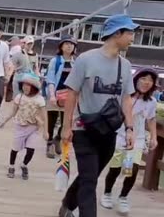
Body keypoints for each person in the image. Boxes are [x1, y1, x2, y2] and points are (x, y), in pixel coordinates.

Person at [59, 14, 138, 217]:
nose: (132, 38)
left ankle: (68, 203)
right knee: (89, 180)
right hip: (84, 128)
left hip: (109, 130)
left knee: (90, 175)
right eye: (129, 33)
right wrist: (66, 127)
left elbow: (126, 99)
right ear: (116, 33)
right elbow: (72, 94)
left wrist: (130, 128)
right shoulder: (86, 60)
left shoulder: (126, 65)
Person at [100, 68, 159, 215]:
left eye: (150, 80)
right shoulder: (124, 96)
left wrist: (154, 136)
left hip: (137, 140)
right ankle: (107, 193)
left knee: (132, 169)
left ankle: (123, 197)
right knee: (115, 168)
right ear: (136, 79)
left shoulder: (151, 101)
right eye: (143, 78)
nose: (146, 82)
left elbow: (151, 119)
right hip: (119, 137)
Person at [1, 73, 48, 180]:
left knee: (31, 148)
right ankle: (11, 166)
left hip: (34, 127)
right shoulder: (19, 97)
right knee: (15, 148)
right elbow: (13, 111)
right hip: (20, 126)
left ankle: (24, 164)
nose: (25, 87)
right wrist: (5, 121)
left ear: (34, 88)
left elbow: (45, 116)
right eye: (24, 85)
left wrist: (46, 131)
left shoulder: (39, 99)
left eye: (28, 86)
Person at [44, 34, 77, 159]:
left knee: (66, 121)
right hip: (56, 94)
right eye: (66, 44)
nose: (69, 46)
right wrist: (52, 95)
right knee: (51, 121)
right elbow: (51, 79)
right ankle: (49, 144)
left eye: (71, 44)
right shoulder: (55, 61)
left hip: (69, 96)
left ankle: (57, 139)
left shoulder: (76, 62)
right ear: (61, 46)